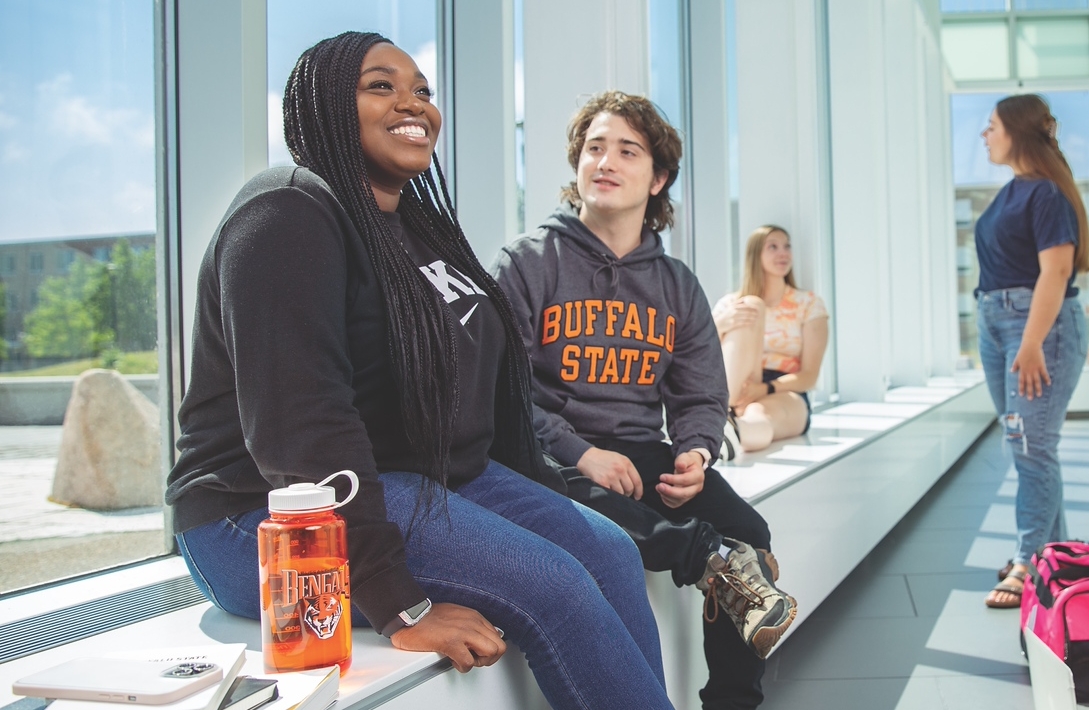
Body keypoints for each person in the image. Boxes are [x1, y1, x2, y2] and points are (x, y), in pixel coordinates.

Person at [165, 34, 672, 710]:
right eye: (381, 85)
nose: (413, 103)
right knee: (557, 586)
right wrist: (397, 603)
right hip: (267, 515)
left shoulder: (418, 225)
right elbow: (300, 427)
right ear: (323, 104)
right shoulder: (285, 213)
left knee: (610, 553)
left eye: (423, 91)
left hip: (419, 478)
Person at [492, 90, 795, 710]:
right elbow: (500, 394)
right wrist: (581, 453)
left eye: (626, 151)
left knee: (750, 531)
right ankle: (705, 556)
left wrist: (695, 453)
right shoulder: (526, 263)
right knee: (606, 517)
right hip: (553, 459)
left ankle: (733, 701)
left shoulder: (675, 284)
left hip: (642, 454)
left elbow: (700, 392)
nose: (605, 161)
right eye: (593, 148)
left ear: (657, 178)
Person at [974, 94, 1089, 609]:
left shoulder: (1045, 195)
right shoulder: (1013, 192)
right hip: (996, 322)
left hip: (1034, 328)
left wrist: (1031, 343)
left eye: (992, 126)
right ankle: (1054, 556)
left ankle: (1028, 560)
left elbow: (1057, 271)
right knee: (1027, 447)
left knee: (1031, 448)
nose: (984, 134)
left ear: (1017, 131)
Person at [712, 225, 829, 453]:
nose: (783, 253)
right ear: (755, 255)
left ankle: (731, 434)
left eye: (787, 246)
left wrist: (764, 388)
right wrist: (720, 324)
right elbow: (699, 356)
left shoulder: (809, 304)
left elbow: (810, 376)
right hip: (733, 384)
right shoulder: (731, 304)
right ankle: (719, 414)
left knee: (759, 413)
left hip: (782, 389)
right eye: (773, 247)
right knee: (751, 305)